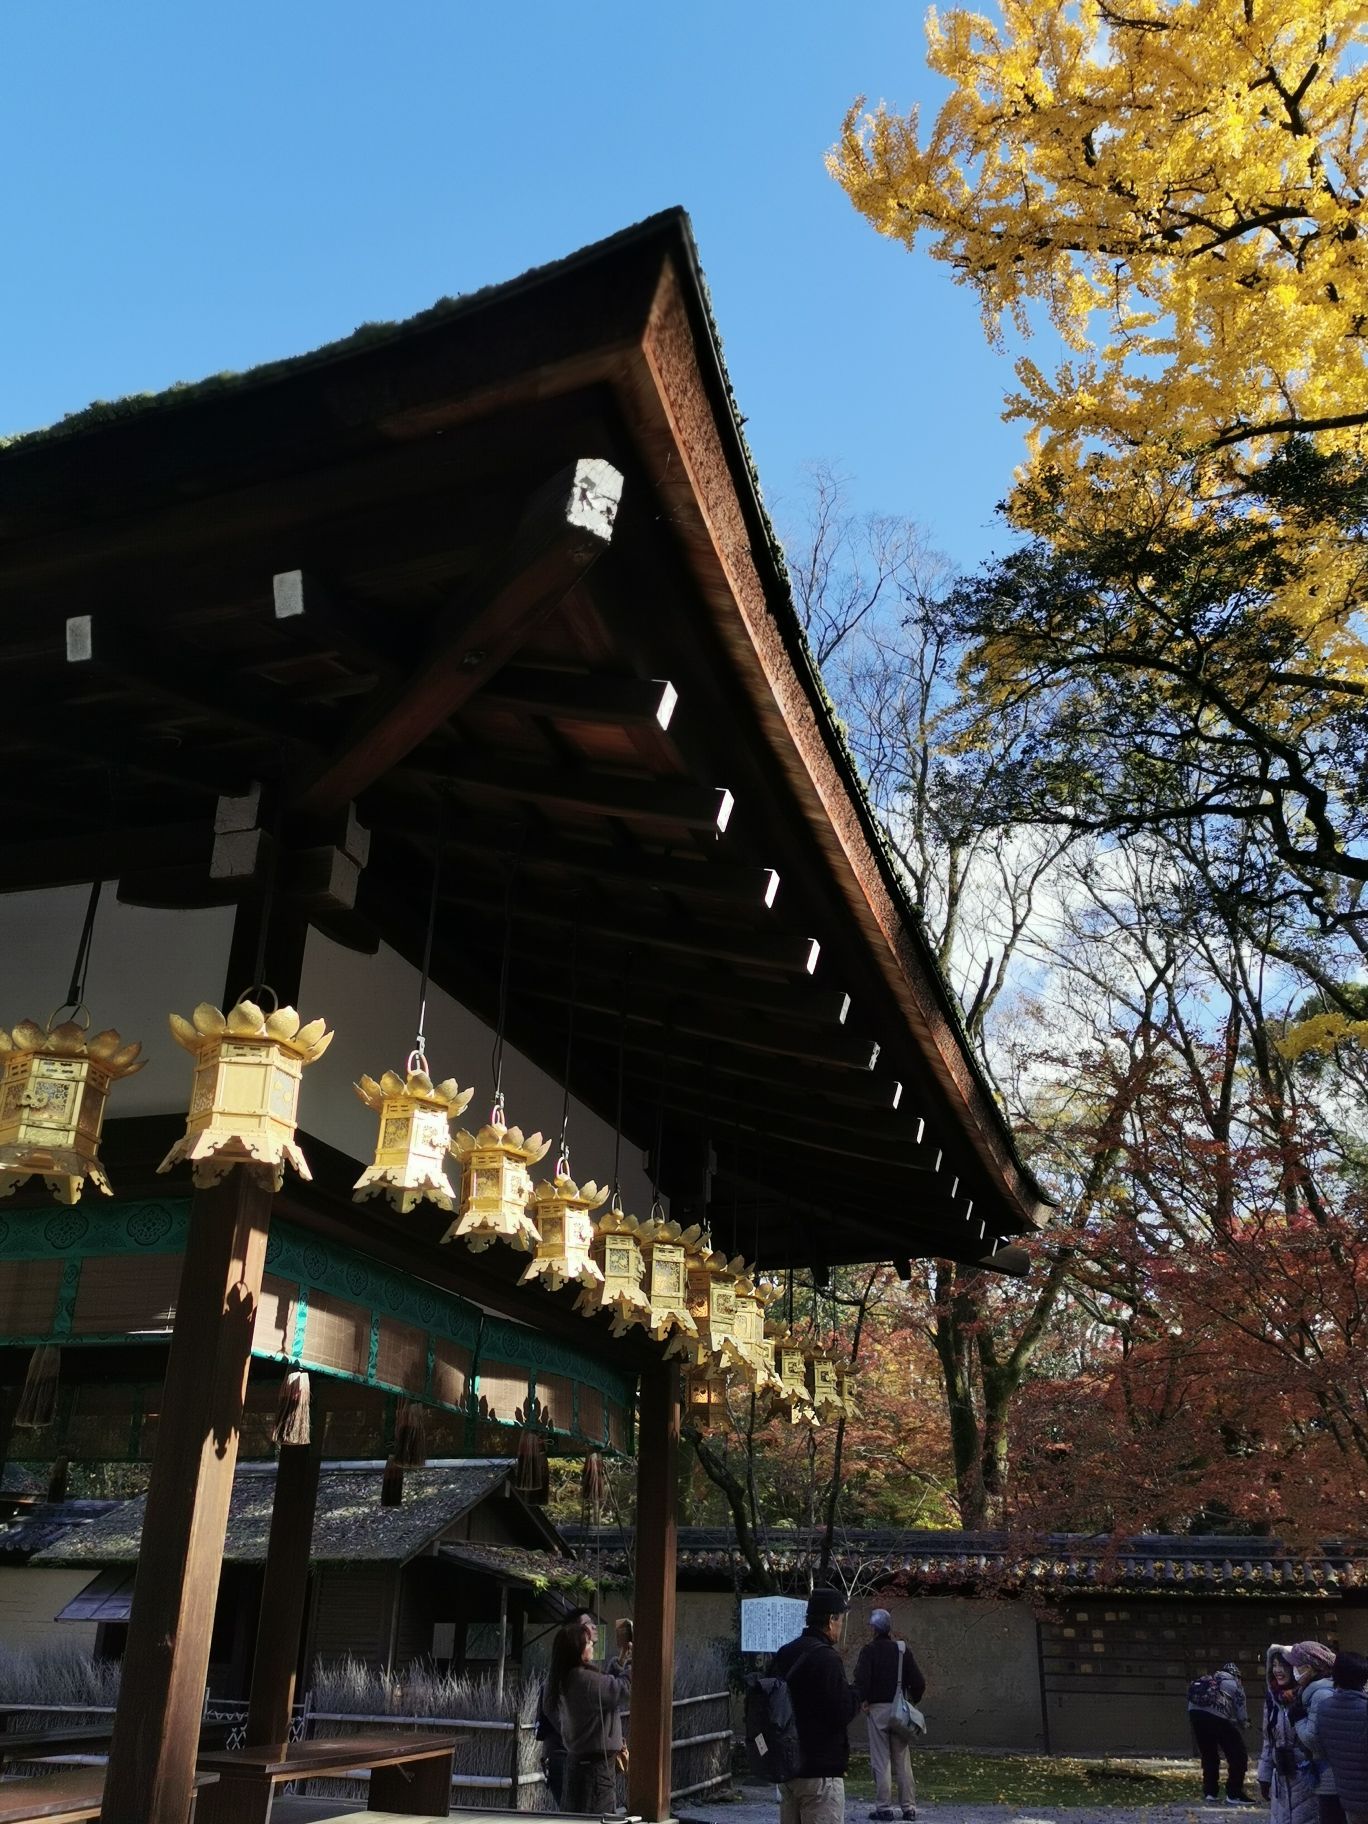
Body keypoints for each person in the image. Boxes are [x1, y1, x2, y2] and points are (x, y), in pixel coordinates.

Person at [770, 1588, 863, 1824]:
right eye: (841, 1620)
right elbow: (841, 1711)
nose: (841, 1627)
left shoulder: (785, 1653)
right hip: (821, 1770)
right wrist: (856, 1692)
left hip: (789, 1766)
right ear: (831, 1620)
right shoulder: (827, 1659)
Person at [546, 1612, 631, 1814]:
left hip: (580, 1762)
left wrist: (620, 1661)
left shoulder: (569, 1676)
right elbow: (622, 1689)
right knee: (596, 1816)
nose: (592, 1643)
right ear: (577, 1648)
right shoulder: (582, 1679)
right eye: (587, 1642)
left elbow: (606, 1686)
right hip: (594, 1767)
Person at [853, 1607, 925, 1823]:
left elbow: (861, 1681)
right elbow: (919, 1683)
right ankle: (909, 1808)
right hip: (899, 1710)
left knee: (881, 1759)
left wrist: (862, 1702)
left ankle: (884, 1808)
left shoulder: (868, 1651)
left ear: (873, 1628)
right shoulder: (902, 1650)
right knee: (902, 1761)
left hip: (877, 1710)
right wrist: (911, 1701)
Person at [538, 1607, 598, 1805]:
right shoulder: (562, 1668)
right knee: (570, 1811)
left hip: (579, 1753)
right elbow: (549, 1706)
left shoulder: (584, 1666)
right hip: (561, 1752)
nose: (593, 1627)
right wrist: (572, 1735)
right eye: (587, 1624)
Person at [1294, 1643, 1358, 1824]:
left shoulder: (1321, 1694)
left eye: (1299, 1665)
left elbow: (1314, 1739)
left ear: (1312, 1667)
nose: (1295, 1670)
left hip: (1331, 1777)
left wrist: (1298, 1720)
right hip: (1331, 1775)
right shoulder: (1311, 1691)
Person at [1258, 1644, 1317, 1824]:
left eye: (1283, 1665)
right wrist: (1264, 1775)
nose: (1278, 1670)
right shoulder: (1273, 1700)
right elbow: (1269, 1741)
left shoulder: (1308, 1697)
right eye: (1274, 1665)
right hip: (1281, 1779)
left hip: (1307, 1775)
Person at [1188, 1659, 1252, 1806]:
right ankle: (1234, 1793)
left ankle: (1210, 1792)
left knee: (1209, 1754)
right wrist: (1245, 1723)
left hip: (1195, 1715)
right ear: (1237, 1675)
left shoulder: (1210, 1679)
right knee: (1238, 1754)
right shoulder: (1235, 1684)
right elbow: (1241, 1711)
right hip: (1217, 1718)